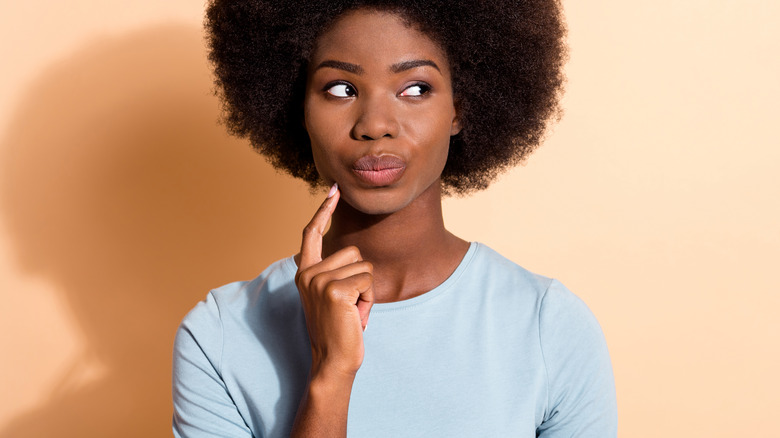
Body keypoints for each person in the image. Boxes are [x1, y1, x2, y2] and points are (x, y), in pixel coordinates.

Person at [172, 0, 617, 436]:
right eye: (340, 89)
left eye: (416, 89)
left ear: (459, 110)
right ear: (300, 108)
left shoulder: (547, 326)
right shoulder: (221, 336)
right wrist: (332, 373)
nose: (375, 124)